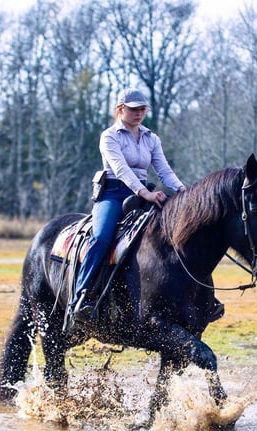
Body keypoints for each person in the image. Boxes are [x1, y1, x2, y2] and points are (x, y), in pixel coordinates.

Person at [70, 87, 186, 322]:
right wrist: (145, 193)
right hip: (113, 194)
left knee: (178, 234)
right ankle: (82, 296)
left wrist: (184, 191)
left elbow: (163, 170)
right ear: (121, 109)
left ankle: (197, 296)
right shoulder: (109, 136)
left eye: (142, 109)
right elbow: (120, 169)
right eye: (134, 109)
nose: (139, 113)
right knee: (102, 238)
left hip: (143, 195)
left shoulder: (151, 138)